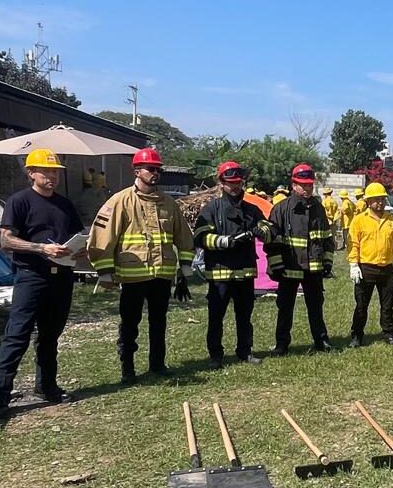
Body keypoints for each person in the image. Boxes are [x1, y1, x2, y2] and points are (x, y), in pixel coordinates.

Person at [0, 148, 84, 417]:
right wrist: (41, 249)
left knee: (50, 336)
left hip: (62, 277)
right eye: (47, 171)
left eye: (55, 172)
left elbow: (77, 234)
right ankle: (0, 395)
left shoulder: (65, 204)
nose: (52, 176)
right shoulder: (19, 201)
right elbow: (6, 240)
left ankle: (47, 386)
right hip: (31, 276)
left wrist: (79, 249)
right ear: (31, 173)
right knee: (17, 335)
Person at [88, 147, 195, 384]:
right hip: (133, 276)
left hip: (162, 275)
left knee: (159, 322)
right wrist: (105, 271)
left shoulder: (169, 203)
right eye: (150, 169)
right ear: (137, 171)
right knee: (130, 324)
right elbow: (103, 237)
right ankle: (128, 369)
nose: (155, 173)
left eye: (158, 169)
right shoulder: (120, 201)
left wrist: (185, 267)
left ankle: (157, 365)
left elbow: (184, 237)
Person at [194, 161, 272, 369]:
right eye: (231, 183)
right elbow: (200, 237)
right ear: (221, 184)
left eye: (238, 183)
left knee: (244, 316)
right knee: (216, 317)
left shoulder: (252, 209)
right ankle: (215, 356)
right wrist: (225, 241)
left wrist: (261, 230)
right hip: (219, 273)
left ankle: (245, 351)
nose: (235, 187)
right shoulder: (211, 209)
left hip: (245, 273)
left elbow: (269, 229)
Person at [265, 164, 335, 355]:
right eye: (302, 185)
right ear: (293, 184)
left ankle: (321, 341)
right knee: (285, 308)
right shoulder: (281, 209)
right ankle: (281, 344)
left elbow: (327, 239)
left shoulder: (318, 209)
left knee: (316, 307)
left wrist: (327, 263)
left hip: (313, 270)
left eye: (310, 185)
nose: (307, 189)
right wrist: (277, 265)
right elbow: (272, 241)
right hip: (289, 268)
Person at [347, 182, 393, 347]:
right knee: (361, 305)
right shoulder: (359, 220)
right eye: (376, 199)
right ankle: (356, 336)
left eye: (382, 199)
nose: (380, 202)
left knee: (387, 305)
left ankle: (388, 334)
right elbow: (353, 244)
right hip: (366, 268)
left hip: (386, 269)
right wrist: (353, 264)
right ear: (368, 201)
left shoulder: (392, 221)